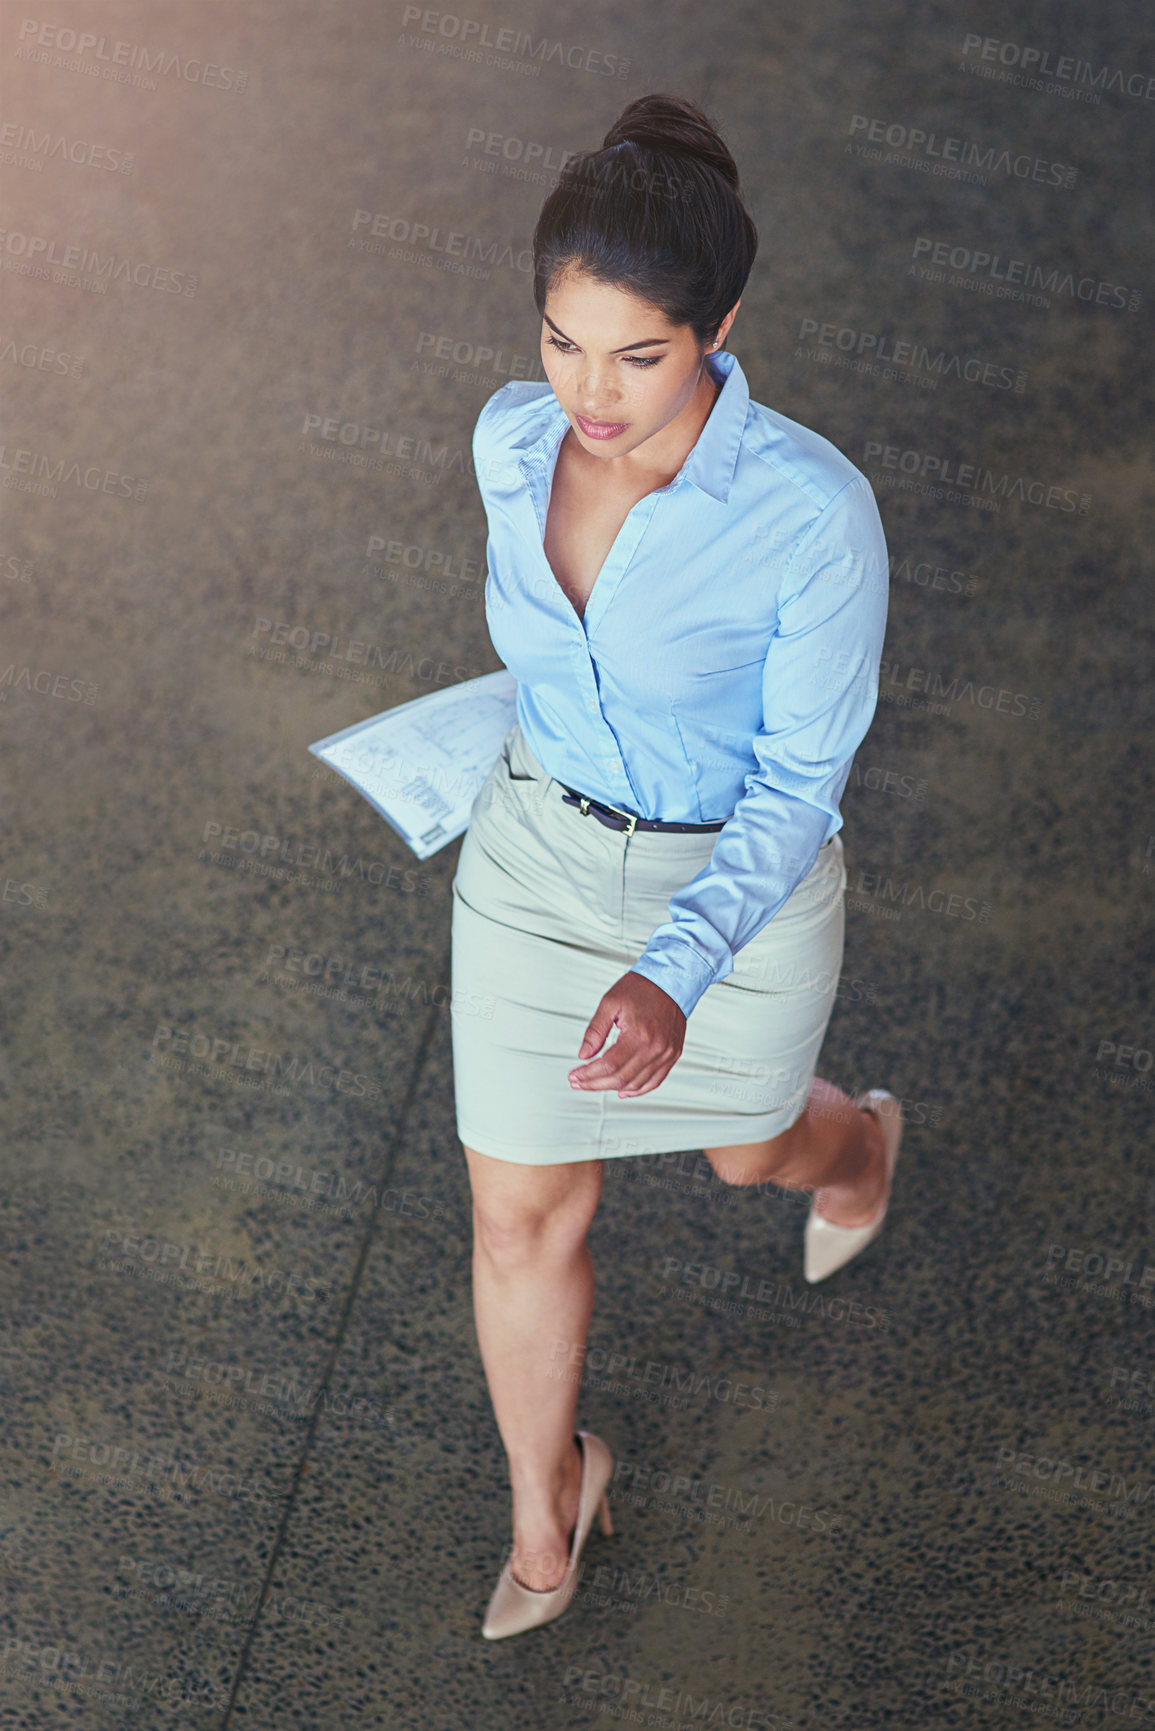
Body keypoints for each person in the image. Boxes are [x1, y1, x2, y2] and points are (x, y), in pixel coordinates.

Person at [448, 93, 903, 1641]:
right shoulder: (511, 445)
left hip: (738, 897)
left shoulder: (812, 517)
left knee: (746, 1148)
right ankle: (547, 1510)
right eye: (564, 340)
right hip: (533, 869)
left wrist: (675, 966)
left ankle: (858, 1152)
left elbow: (799, 782)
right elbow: (555, 668)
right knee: (519, 1213)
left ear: (720, 328)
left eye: (638, 355)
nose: (589, 392)